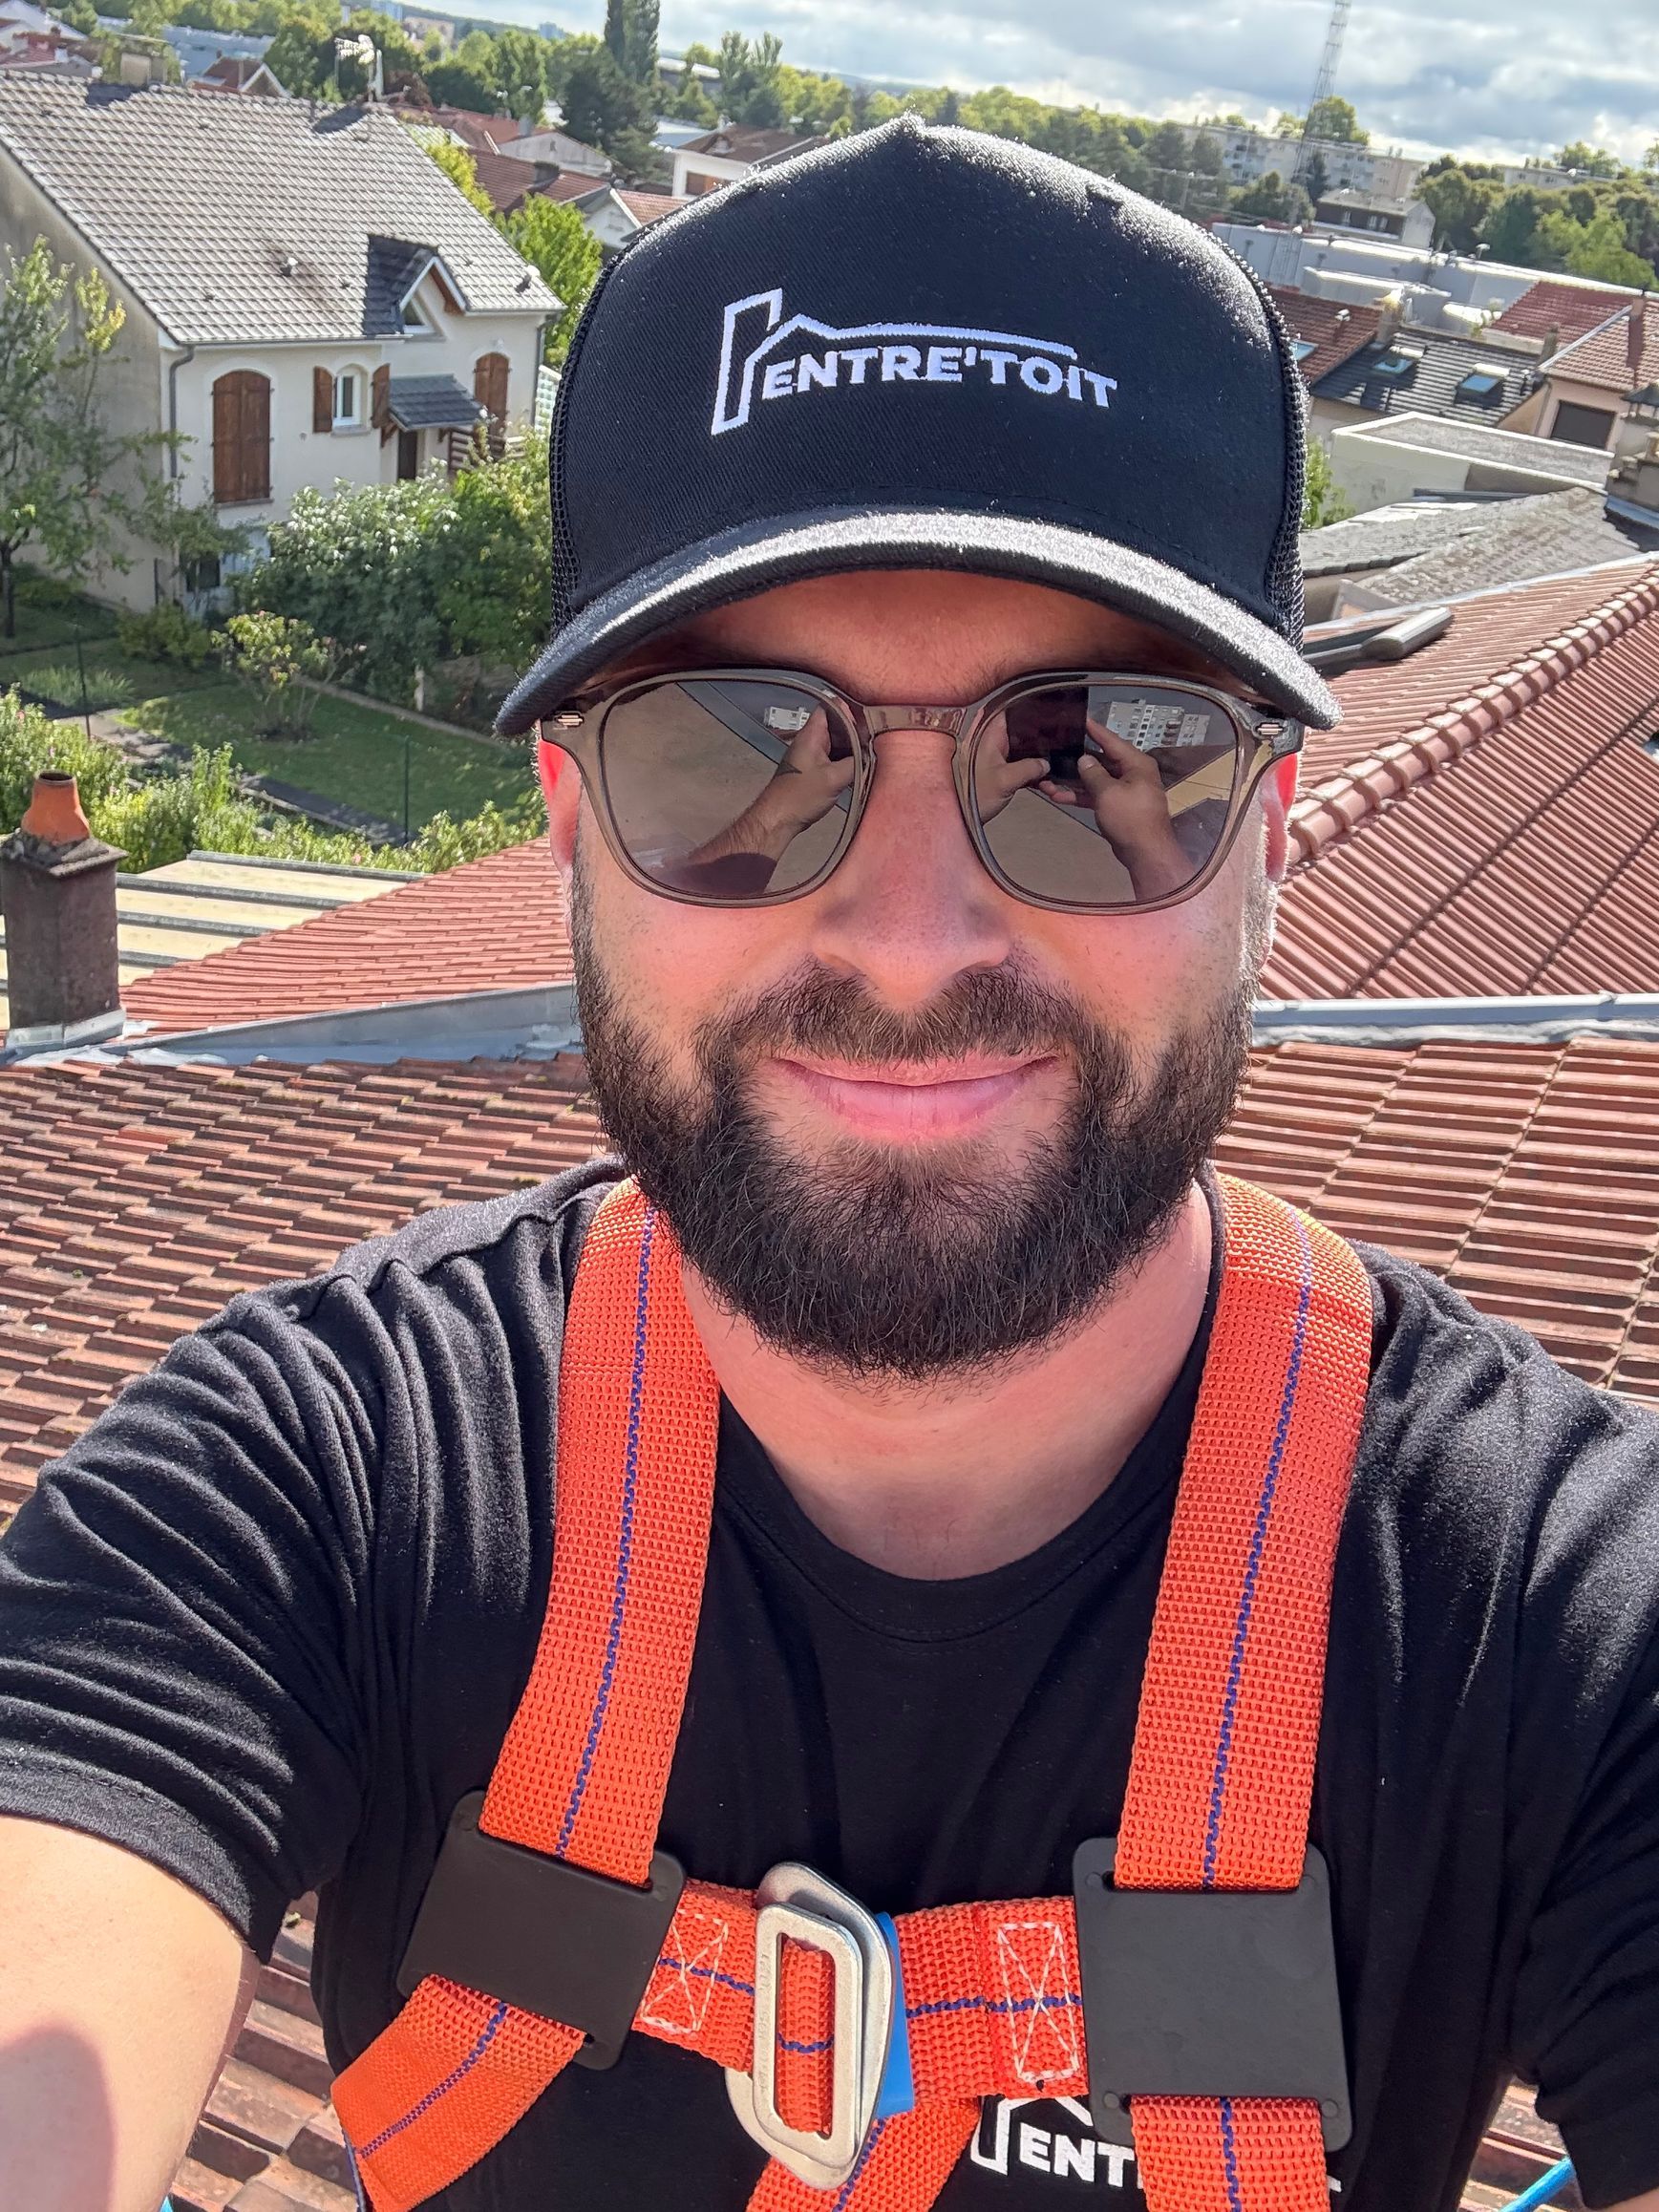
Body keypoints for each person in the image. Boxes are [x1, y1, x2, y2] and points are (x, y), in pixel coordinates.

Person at [0, 115, 1657, 2212]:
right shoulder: (304, 1494)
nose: (906, 936)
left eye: (1097, 759)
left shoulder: (1557, 1626)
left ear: (1267, 837)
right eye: (730, 748)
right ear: (571, 822)